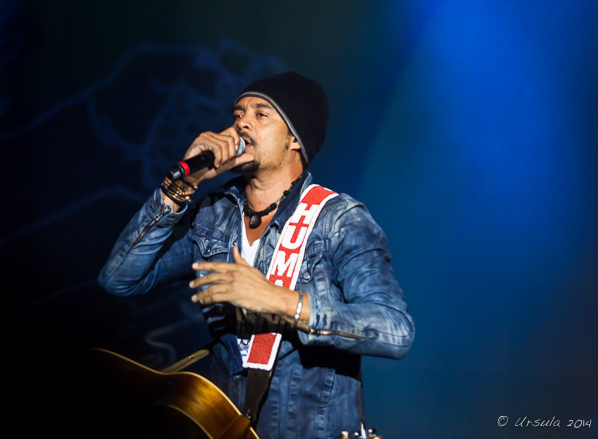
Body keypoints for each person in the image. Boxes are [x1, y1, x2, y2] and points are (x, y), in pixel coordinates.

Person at [98, 71, 414, 439]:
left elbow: (396, 331)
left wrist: (281, 301)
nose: (241, 122)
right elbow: (119, 278)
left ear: (294, 139)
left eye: (261, 114)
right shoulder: (214, 215)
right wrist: (183, 185)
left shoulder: (338, 219)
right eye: (238, 114)